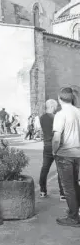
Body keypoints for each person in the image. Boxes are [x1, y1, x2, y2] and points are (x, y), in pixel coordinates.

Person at [52, 87, 80, 227]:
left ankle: (73, 218)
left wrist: (54, 151)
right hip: (77, 154)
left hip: (65, 154)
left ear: (59, 98)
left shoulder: (60, 114)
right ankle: (74, 212)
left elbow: (57, 138)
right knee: (75, 184)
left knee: (68, 187)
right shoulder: (78, 112)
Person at [39, 99, 65, 200]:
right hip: (57, 145)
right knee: (60, 170)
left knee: (45, 168)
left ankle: (42, 191)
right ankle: (62, 194)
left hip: (47, 146)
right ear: (52, 106)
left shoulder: (42, 118)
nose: (56, 108)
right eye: (55, 106)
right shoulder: (56, 117)